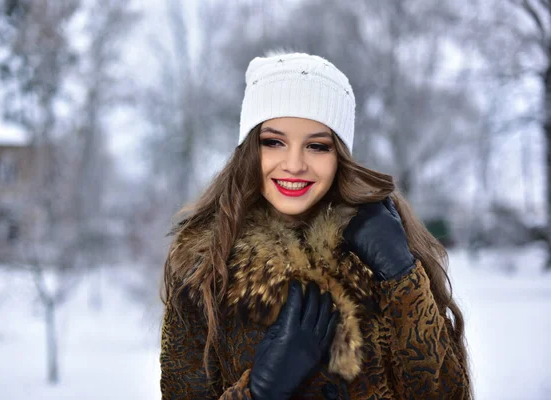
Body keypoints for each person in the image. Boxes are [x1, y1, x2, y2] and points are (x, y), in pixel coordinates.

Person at [159, 52, 471, 399]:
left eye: (317, 146)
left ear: (339, 155)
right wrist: (260, 392)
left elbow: (449, 392)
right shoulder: (203, 266)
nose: (294, 164)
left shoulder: (385, 245)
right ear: (250, 150)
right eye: (274, 142)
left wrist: (402, 276)